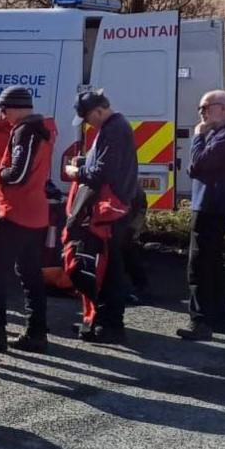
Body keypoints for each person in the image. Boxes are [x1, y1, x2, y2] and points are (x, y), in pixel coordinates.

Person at [63, 89, 141, 343]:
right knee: (103, 267)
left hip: (110, 210)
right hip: (113, 207)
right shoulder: (114, 127)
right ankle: (99, 321)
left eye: (87, 118)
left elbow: (103, 172)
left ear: (98, 110)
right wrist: (86, 163)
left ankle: (111, 326)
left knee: (108, 270)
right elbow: (104, 165)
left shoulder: (114, 129)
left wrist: (77, 171)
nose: (88, 124)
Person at [178, 89, 225, 341]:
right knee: (211, 262)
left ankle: (200, 321)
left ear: (223, 108)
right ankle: (222, 319)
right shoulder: (224, 133)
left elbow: (197, 165)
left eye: (205, 107)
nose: (201, 113)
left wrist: (197, 138)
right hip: (212, 204)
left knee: (199, 265)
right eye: (200, 108)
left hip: (213, 206)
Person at [0, 86, 55, 352]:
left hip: (16, 212)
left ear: (13, 107)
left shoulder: (26, 132)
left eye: (4, 109)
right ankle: (36, 332)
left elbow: (17, 174)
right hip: (35, 213)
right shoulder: (42, 129)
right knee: (30, 274)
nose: (3, 116)